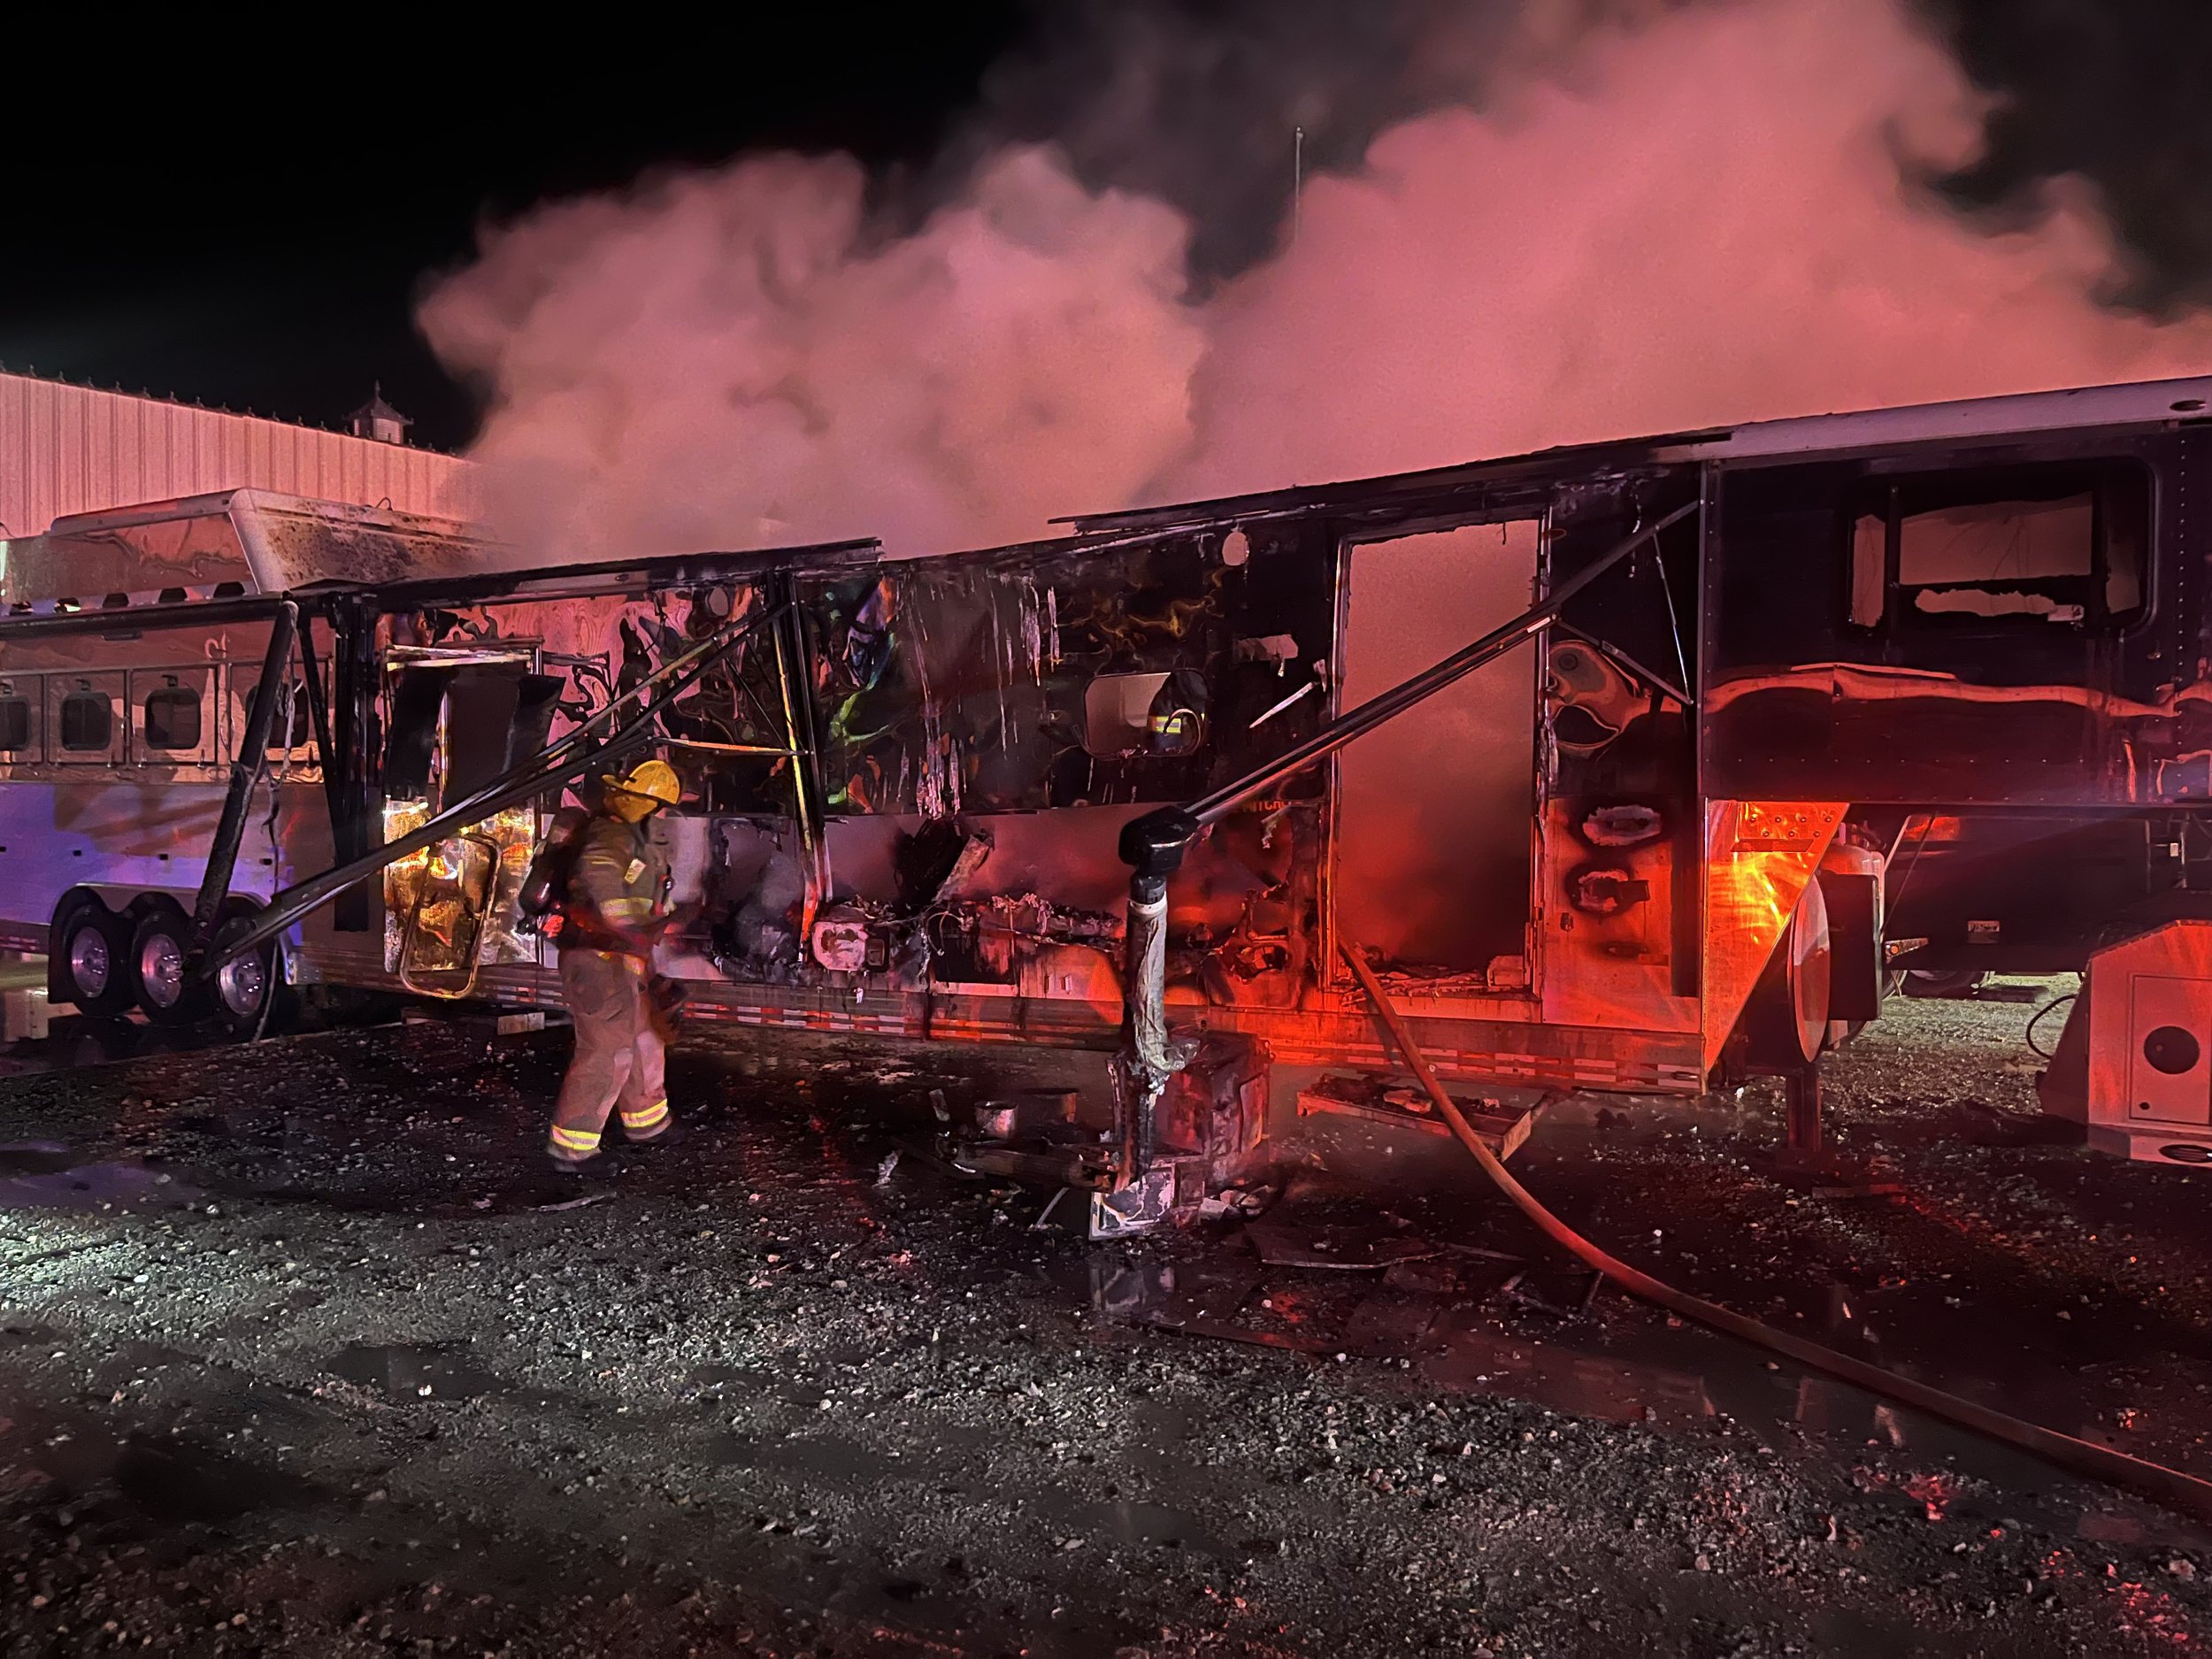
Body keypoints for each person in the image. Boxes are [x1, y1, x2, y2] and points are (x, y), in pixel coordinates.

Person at [545, 758, 684, 1171]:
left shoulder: (632, 837)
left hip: (625, 958)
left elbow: (651, 895)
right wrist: (630, 929)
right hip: (599, 958)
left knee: (645, 1038)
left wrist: (663, 922)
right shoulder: (609, 835)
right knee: (607, 1048)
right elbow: (602, 885)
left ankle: (648, 1124)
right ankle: (573, 1148)